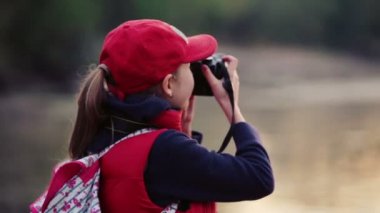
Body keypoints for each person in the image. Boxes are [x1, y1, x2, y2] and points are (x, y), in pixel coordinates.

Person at [68, 19, 274, 212]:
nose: (195, 73)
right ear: (169, 85)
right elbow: (259, 177)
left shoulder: (103, 132)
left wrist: (181, 130)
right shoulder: (165, 151)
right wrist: (232, 108)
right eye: (189, 66)